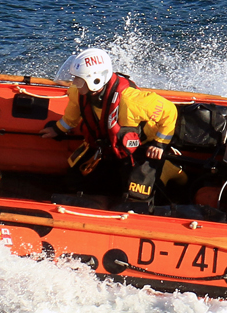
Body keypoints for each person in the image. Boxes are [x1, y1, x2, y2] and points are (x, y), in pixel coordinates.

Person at [40, 48, 184, 210]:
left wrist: (159, 143)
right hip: (106, 147)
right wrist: (58, 130)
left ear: (95, 81)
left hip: (138, 149)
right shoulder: (77, 93)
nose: (74, 84)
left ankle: (165, 169)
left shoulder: (131, 101)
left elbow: (169, 111)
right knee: (73, 183)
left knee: (137, 198)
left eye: (78, 80)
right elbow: (71, 118)